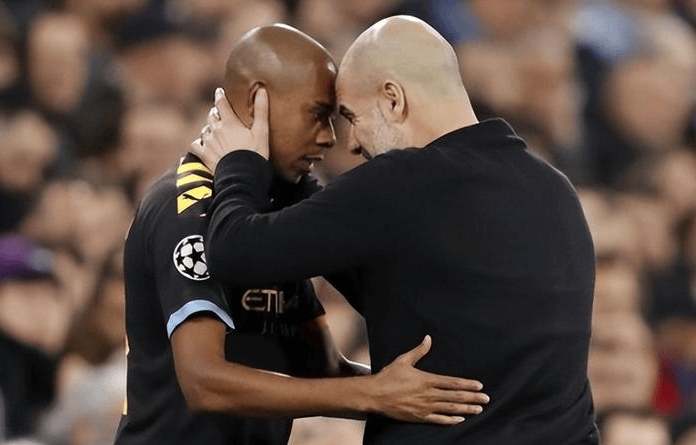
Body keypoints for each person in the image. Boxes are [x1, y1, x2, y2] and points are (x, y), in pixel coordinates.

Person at [192, 15, 599, 445]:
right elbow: (396, 288)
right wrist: (294, 174)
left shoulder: (402, 182)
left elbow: (233, 249)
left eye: (351, 116)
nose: (350, 143)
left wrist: (240, 161)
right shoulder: (554, 189)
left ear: (393, 100)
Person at [115, 24, 489, 445]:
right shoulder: (186, 206)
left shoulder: (266, 212)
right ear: (259, 100)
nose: (330, 138)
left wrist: (423, 395)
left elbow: (322, 367)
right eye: (317, 114)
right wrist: (376, 394)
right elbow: (204, 383)